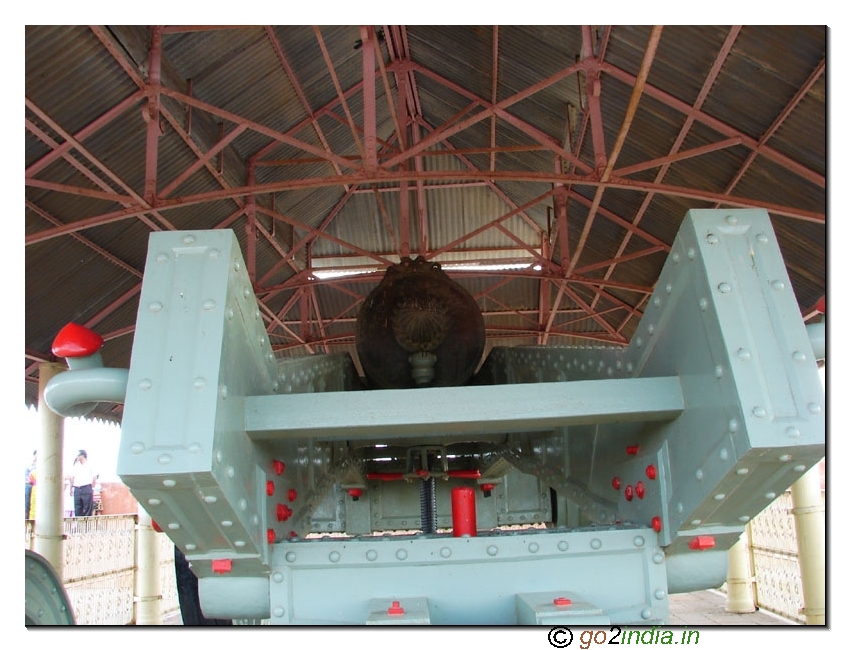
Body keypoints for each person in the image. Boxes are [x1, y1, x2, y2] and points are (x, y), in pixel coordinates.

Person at [70, 449, 98, 517]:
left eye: (78, 455)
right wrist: (71, 488)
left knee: (88, 508)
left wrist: (92, 487)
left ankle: (87, 526)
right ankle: (80, 526)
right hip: (77, 488)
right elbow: (72, 477)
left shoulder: (90, 464)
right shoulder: (76, 465)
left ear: (83, 456)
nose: (77, 457)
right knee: (78, 509)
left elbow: (94, 477)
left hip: (86, 487)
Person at [25, 450, 36, 519]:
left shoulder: (44, 465)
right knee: (27, 504)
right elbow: (26, 478)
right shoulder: (30, 466)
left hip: (38, 487)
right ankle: (27, 519)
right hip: (30, 486)